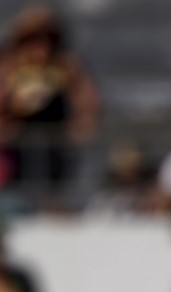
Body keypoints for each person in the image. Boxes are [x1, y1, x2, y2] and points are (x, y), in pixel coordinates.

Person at [0, 5, 99, 194]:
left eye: (46, 41)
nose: (40, 49)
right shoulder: (9, 66)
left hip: (54, 136)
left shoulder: (65, 65)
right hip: (17, 140)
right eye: (33, 41)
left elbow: (86, 100)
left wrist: (82, 124)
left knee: (56, 177)